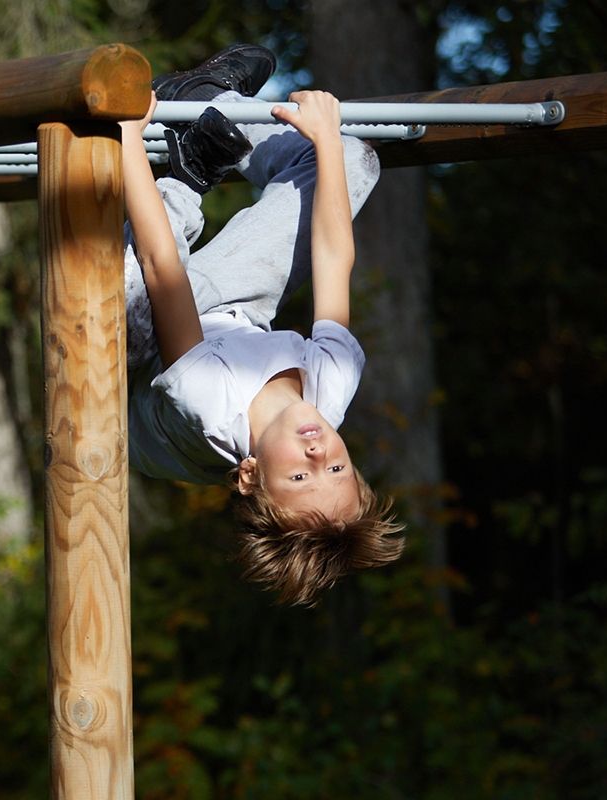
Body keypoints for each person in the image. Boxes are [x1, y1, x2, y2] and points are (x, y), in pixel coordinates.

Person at [121, 44, 404, 605]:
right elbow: (332, 257)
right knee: (352, 162)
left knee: (116, 313)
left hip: (131, 366)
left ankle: (191, 169)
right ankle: (203, 104)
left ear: (249, 476)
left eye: (300, 477)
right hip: (230, 312)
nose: (318, 454)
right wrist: (325, 137)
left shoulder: (208, 403)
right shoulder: (333, 384)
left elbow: (161, 269)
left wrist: (130, 140)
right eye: (338, 466)